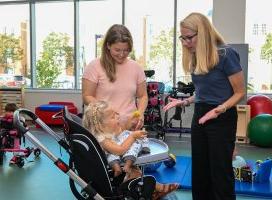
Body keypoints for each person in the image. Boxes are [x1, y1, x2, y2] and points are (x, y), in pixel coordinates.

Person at [163, 12, 245, 200]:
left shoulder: (226, 54)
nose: (185, 42)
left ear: (204, 33)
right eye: (182, 38)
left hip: (222, 118)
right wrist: (185, 101)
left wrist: (219, 109)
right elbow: (203, 91)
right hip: (200, 115)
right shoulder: (196, 56)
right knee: (200, 170)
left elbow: (240, 92)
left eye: (189, 37)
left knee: (220, 172)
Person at [83, 101, 179, 200]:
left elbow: (122, 135)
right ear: (100, 125)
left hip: (118, 169)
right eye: (112, 117)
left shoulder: (107, 134)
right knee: (136, 173)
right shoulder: (102, 139)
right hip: (116, 172)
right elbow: (119, 150)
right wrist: (133, 136)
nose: (117, 116)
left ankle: (156, 191)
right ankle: (159, 188)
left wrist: (131, 126)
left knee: (136, 171)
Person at [82, 24, 147, 131]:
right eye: (117, 50)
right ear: (108, 45)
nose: (122, 54)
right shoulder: (94, 66)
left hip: (129, 127)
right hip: (103, 127)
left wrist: (140, 113)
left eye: (126, 50)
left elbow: (142, 96)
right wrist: (107, 112)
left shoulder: (136, 68)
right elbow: (87, 96)